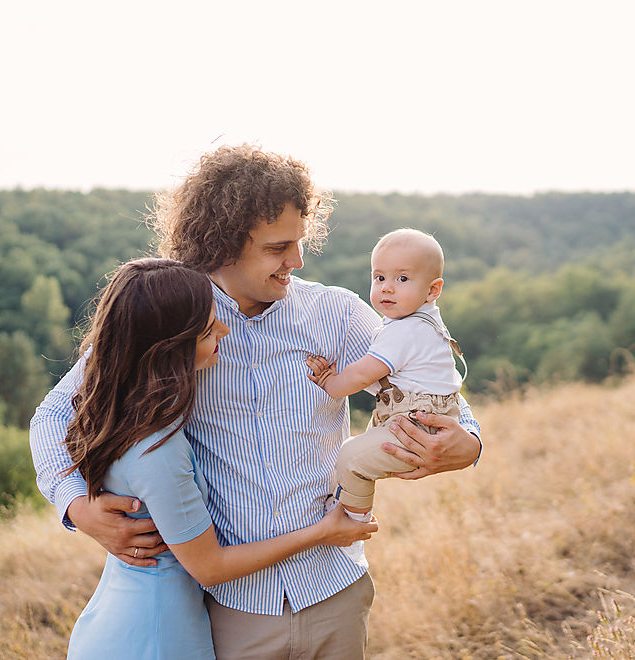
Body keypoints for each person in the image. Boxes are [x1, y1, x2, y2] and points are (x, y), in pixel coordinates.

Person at [30, 144, 482, 659]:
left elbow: (429, 375)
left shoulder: (335, 312)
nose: (297, 260)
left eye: (300, 242)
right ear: (222, 242)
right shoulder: (176, 319)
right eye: (277, 247)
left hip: (335, 587)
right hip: (229, 606)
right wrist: (75, 505)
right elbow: (54, 414)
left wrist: (468, 442)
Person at [61, 258, 376, 659]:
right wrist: (322, 532)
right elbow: (209, 566)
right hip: (157, 633)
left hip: (138, 614)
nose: (225, 330)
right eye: (209, 329)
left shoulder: (123, 413)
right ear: (168, 347)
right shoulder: (158, 450)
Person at [305, 228, 465, 523]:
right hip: (427, 417)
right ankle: (351, 503)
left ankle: (353, 518)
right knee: (361, 455)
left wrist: (331, 382)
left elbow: (365, 372)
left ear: (433, 290)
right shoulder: (422, 321)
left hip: (419, 424)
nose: (387, 288)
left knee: (351, 456)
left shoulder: (404, 331)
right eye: (379, 277)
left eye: (402, 279)